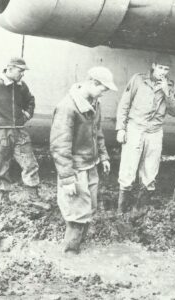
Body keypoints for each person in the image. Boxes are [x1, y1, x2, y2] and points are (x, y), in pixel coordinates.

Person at [50, 66, 117, 253]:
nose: (103, 94)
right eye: (103, 89)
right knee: (77, 212)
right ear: (93, 83)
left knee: (89, 208)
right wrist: (67, 178)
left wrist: (103, 156)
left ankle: (80, 245)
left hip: (91, 165)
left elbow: (97, 132)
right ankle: (71, 253)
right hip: (76, 168)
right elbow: (59, 145)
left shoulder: (94, 103)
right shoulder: (67, 107)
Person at [116, 53, 175, 213]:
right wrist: (121, 128)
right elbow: (124, 104)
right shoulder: (138, 80)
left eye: (166, 69)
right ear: (153, 66)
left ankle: (140, 209)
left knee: (150, 170)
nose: (163, 72)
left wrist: (167, 93)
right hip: (135, 128)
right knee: (128, 168)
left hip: (155, 132)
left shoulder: (170, 86)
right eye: (160, 67)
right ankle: (122, 210)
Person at [0, 56, 49, 209]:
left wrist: (27, 114)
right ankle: (4, 198)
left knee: (30, 163)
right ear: (10, 68)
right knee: (1, 164)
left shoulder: (21, 86)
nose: (22, 74)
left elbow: (30, 100)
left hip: (19, 131)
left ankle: (33, 197)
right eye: (20, 71)